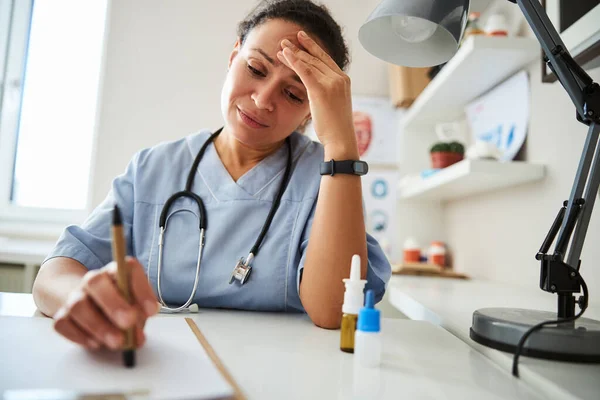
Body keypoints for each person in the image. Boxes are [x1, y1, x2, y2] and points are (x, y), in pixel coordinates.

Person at [32, 0, 392, 351]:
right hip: (163, 366)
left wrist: (342, 145)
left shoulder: (329, 177)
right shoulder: (154, 168)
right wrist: (81, 297)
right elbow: (55, 273)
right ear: (234, 56)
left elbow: (333, 312)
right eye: (255, 68)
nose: (264, 99)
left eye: (294, 93)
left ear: (311, 111)